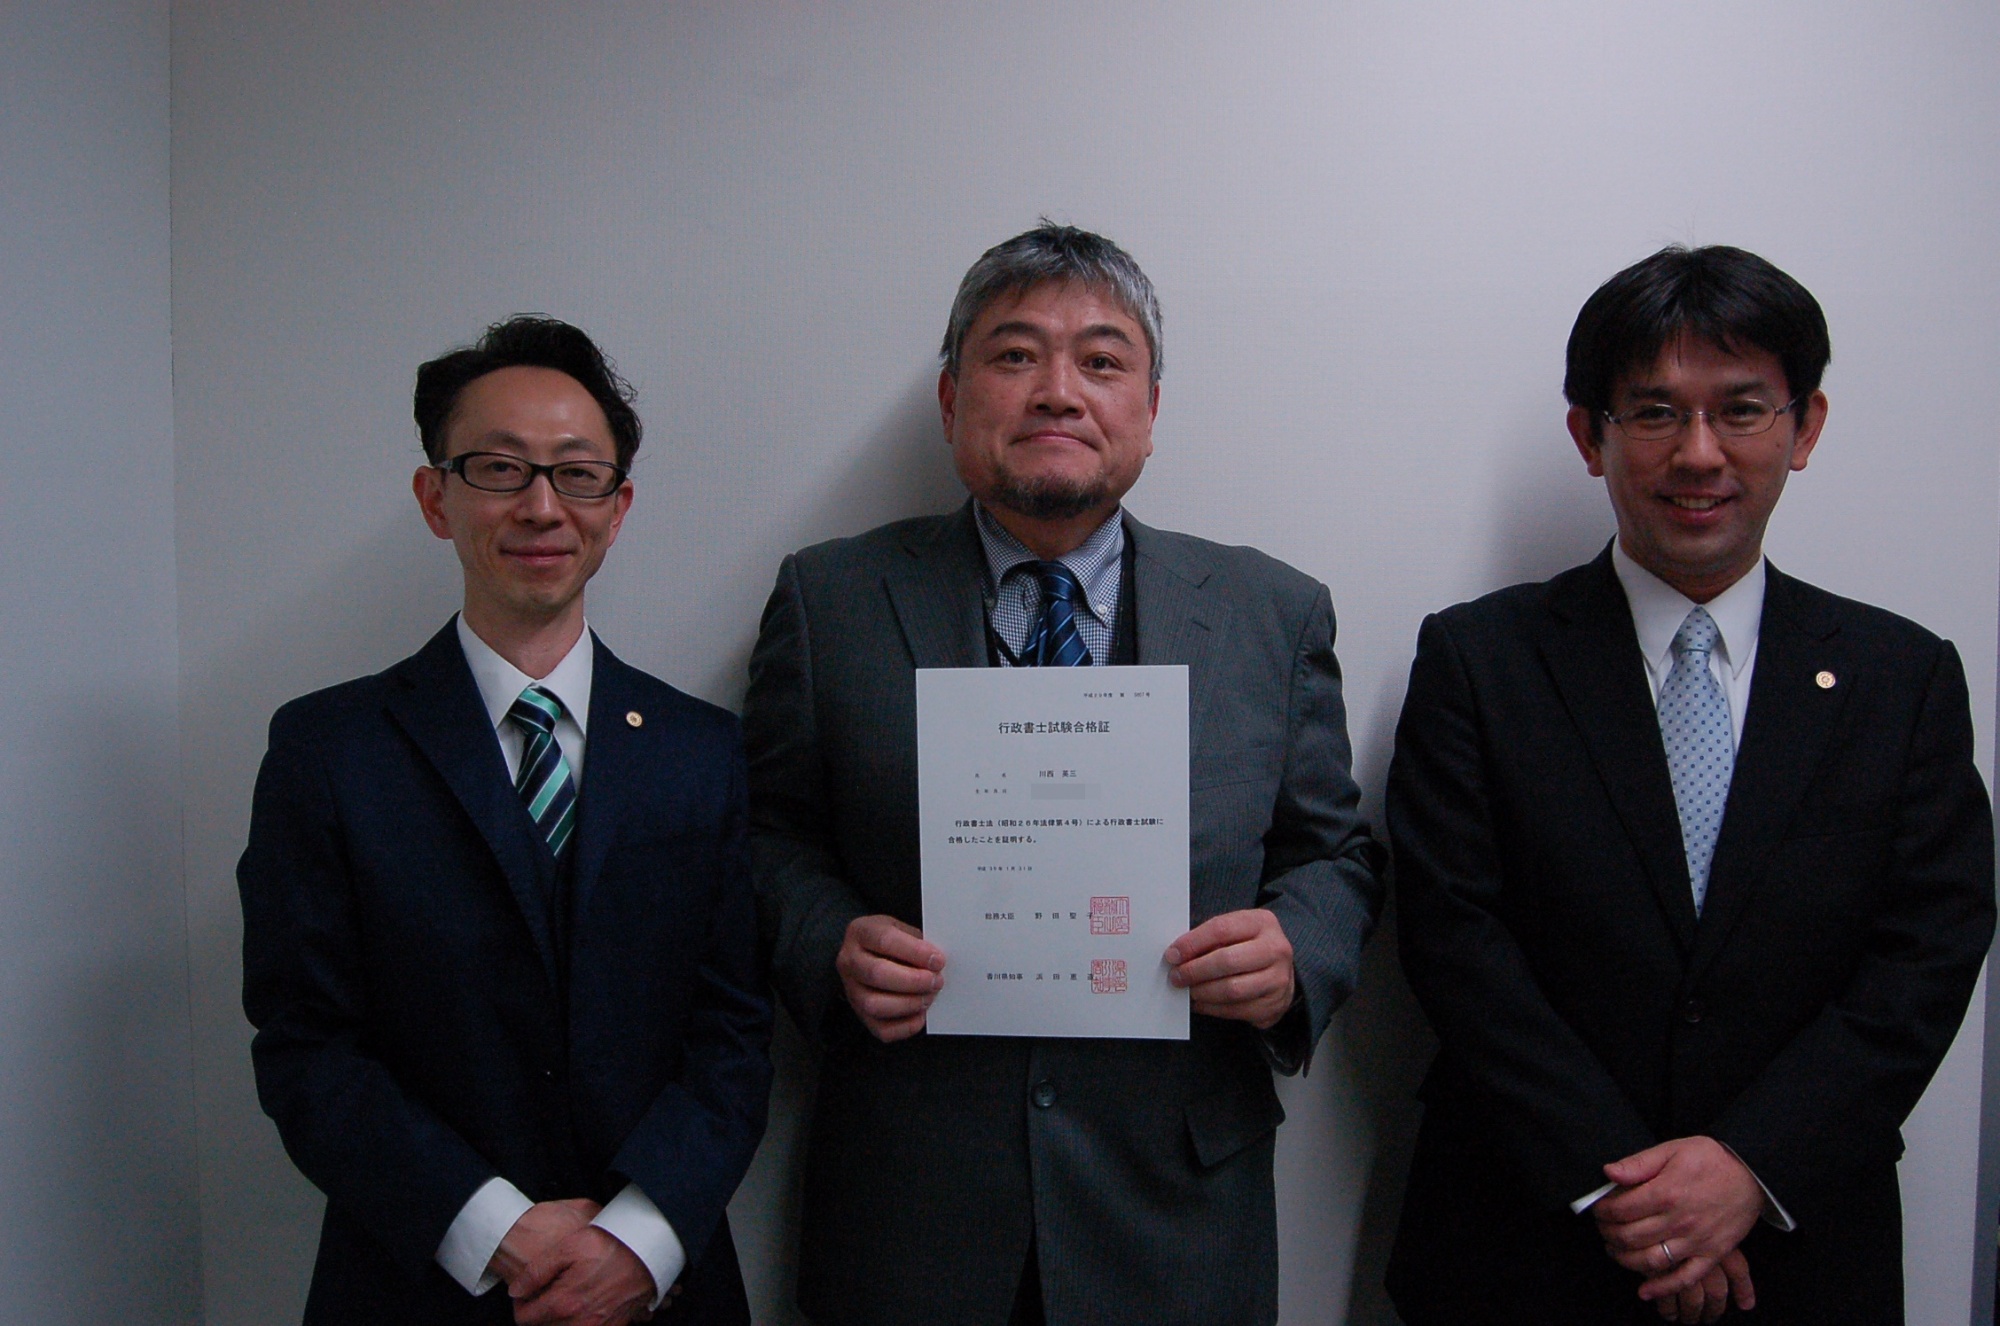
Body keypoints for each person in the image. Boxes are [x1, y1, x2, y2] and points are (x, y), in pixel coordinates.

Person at [743, 221, 1386, 1325]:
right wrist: (826, 940)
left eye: (1101, 360)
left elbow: (1333, 855)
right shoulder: (831, 599)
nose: (1057, 392)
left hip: (1176, 1206)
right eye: (1013, 355)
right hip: (912, 1203)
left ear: (1149, 409)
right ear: (951, 400)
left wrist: (1293, 951)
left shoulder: (1271, 613)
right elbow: (765, 833)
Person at [1385, 245, 1994, 1324]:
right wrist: (1627, 1186)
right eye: (1655, 412)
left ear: (1804, 427)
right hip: (1524, 1237)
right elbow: (1454, 938)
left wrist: (1749, 1165)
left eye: (1742, 411)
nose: (1698, 453)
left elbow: (1928, 951)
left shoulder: (1900, 679)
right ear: (1591, 435)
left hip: (1799, 1246)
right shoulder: (1479, 660)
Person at [240, 317, 772, 1325]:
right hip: (414, 1285)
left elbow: (735, 1032)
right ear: (434, 498)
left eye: (577, 474)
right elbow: (306, 1044)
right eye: (497, 468)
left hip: (659, 1289)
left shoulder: (700, 750)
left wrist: (639, 1238)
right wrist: (494, 1230)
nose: (540, 505)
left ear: (617, 508)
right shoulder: (328, 750)